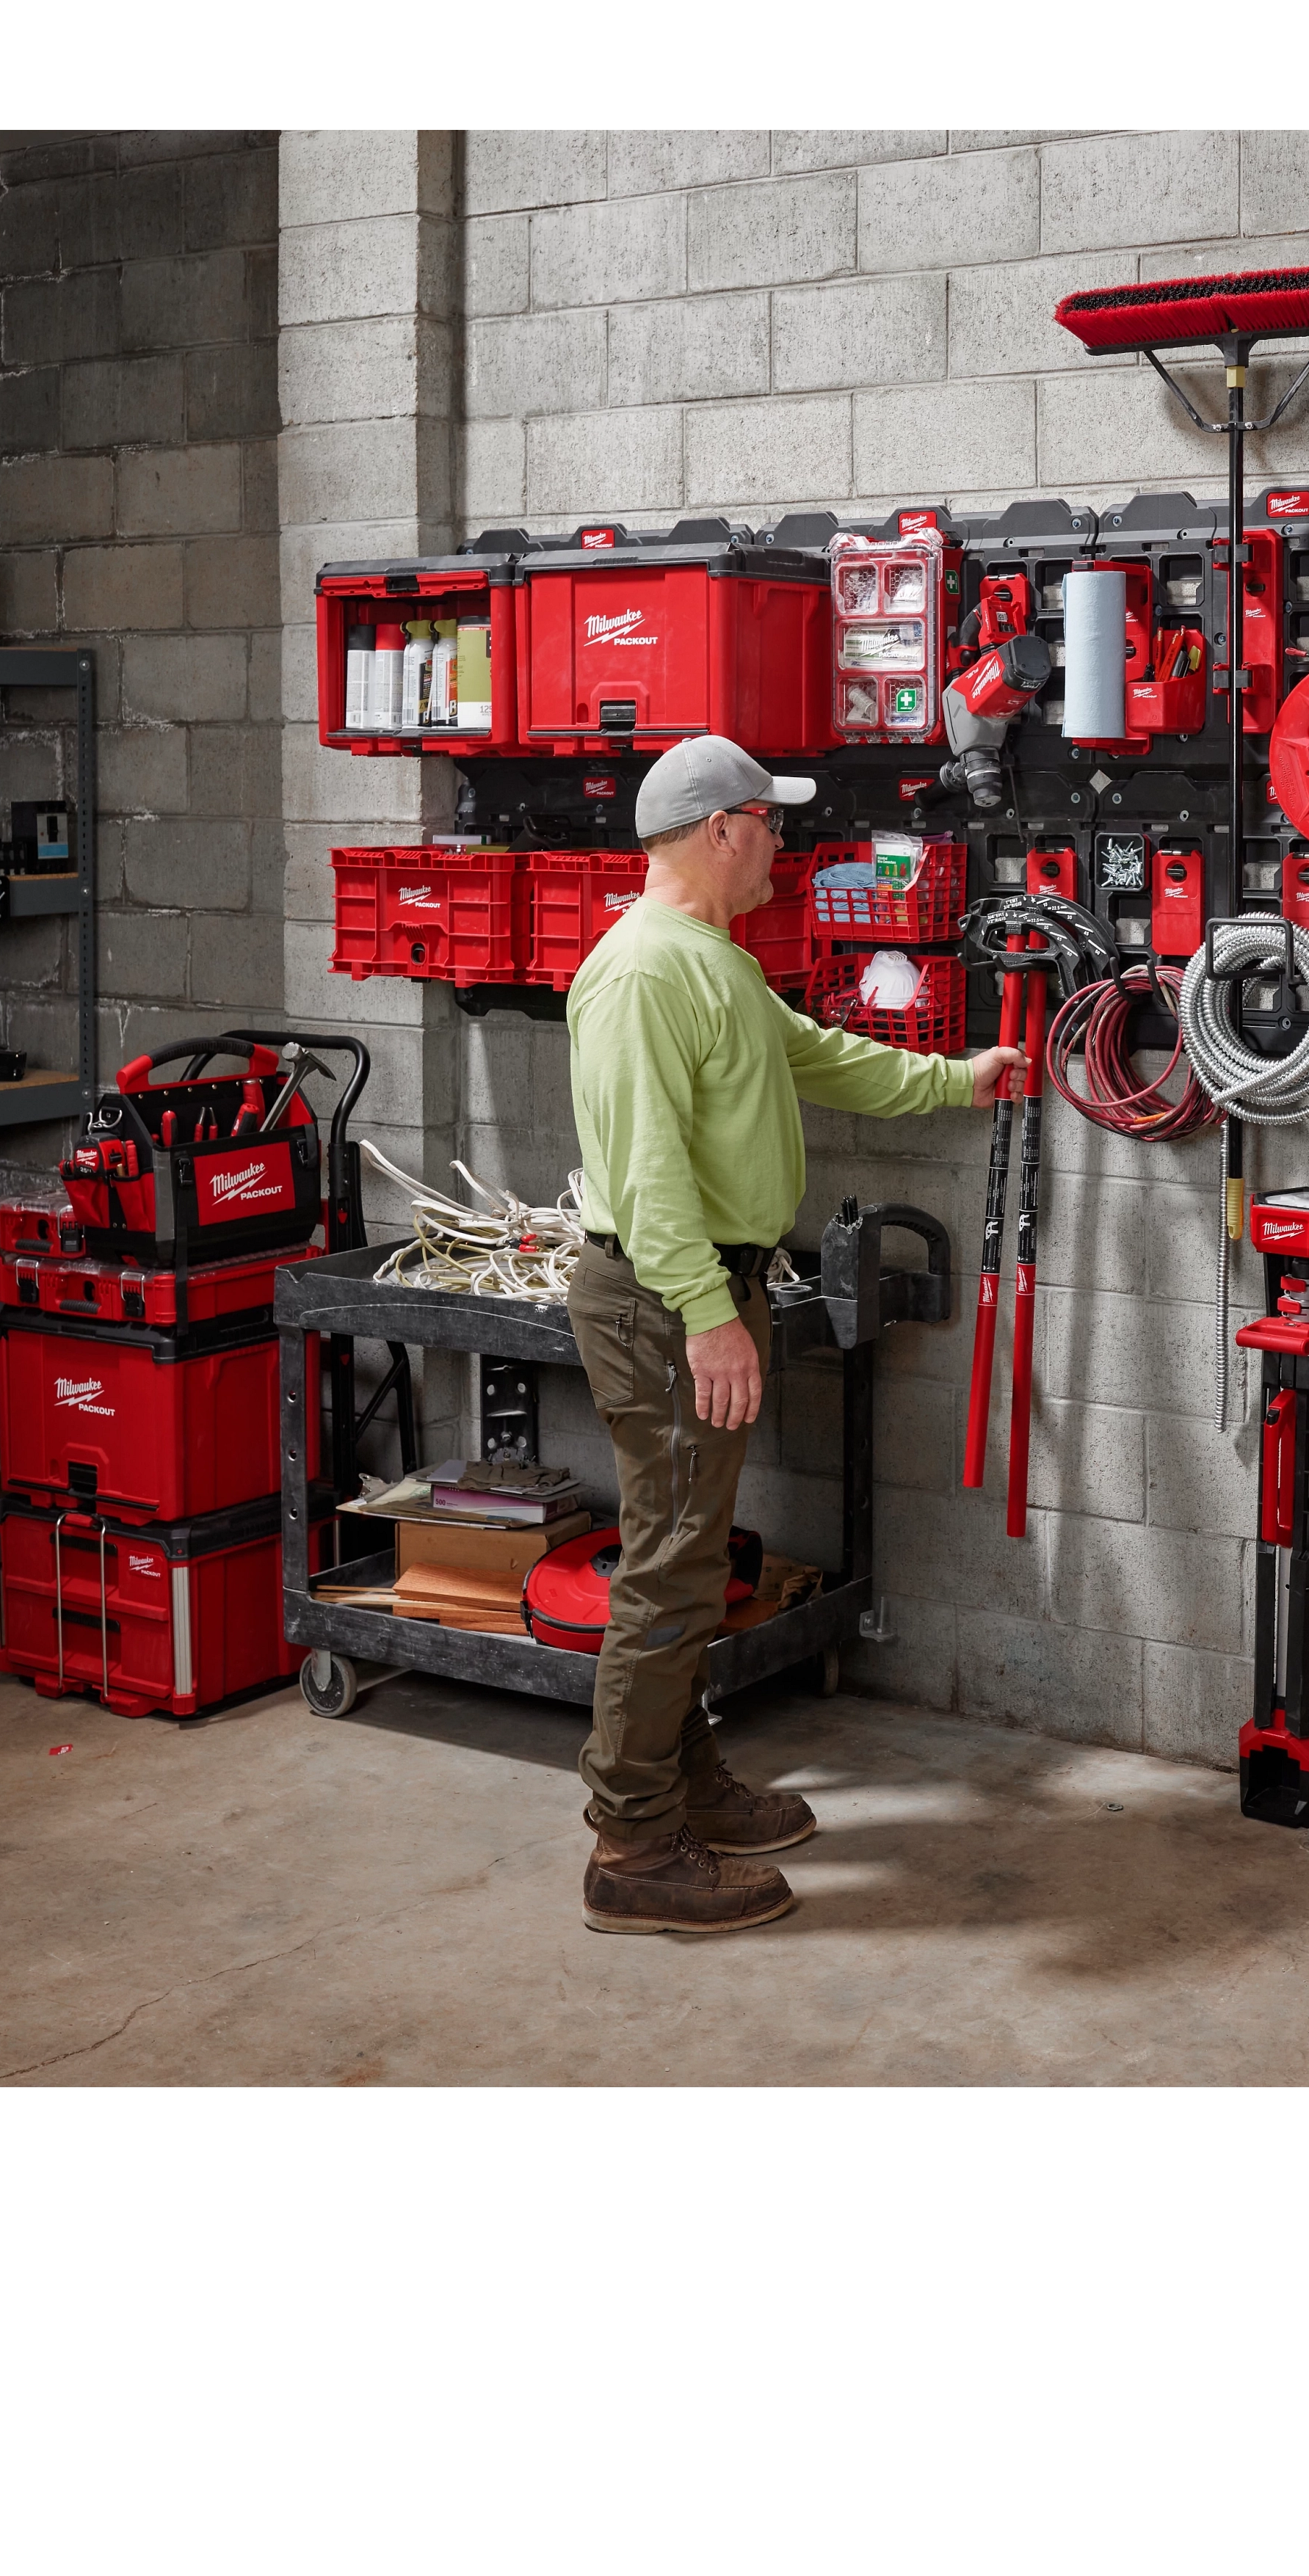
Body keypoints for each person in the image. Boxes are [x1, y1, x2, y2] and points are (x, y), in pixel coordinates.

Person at [562, 735, 1018, 1937]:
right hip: (668, 1300)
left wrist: (958, 1081)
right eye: (771, 822)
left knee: (693, 1554)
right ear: (720, 829)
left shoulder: (712, 961)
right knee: (669, 1566)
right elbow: (648, 1173)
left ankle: (680, 1778)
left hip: (703, 1290)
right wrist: (710, 1316)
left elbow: (820, 1059)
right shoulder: (643, 972)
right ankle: (633, 1844)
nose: (784, 842)